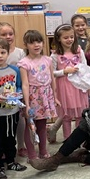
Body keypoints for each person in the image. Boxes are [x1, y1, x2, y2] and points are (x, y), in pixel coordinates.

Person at [0, 37, 27, 179]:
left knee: (10, 138)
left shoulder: (14, 70)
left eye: (3, 52)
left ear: (8, 53)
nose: (0, 56)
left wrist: (17, 94)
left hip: (12, 111)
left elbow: (19, 86)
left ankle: (11, 161)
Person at [18, 30, 59, 159]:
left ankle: (43, 151)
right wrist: (26, 104)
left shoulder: (48, 60)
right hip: (32, 97)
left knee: (42, 125)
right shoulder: (24, 63)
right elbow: (25, 84)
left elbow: (52, 79)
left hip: (45, 96)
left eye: (39, 42)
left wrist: (55, 97)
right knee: (30, 125)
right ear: (26, 45)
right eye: (32, 42)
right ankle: (31, 154)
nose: (36, 45)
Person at [51, 24, 88, 140]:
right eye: (66, 37)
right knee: (66, 116)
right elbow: (52, 72)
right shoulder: (55, 55)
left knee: (79, 115)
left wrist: (80, 70)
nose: (69, 40)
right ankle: (68, 140)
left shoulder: (79, 51)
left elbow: (85, 66)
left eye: (71, 37)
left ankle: (78, 140)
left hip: (78, 85)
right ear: (59, 39)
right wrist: (64, 71)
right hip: (64, 87)